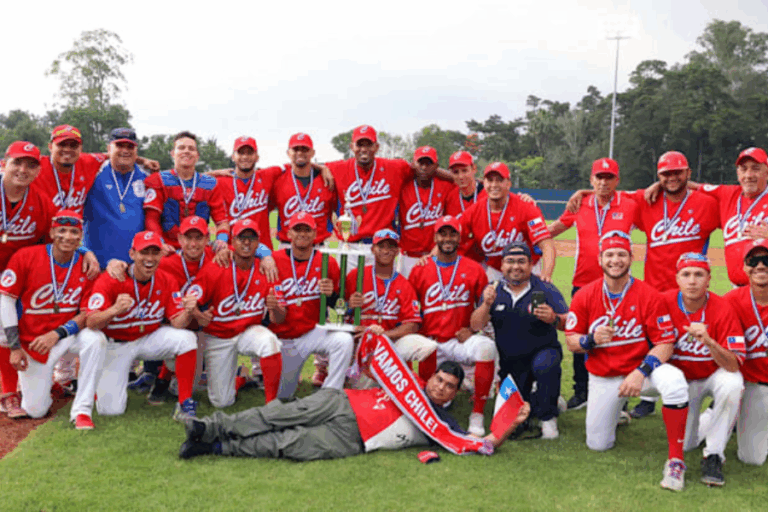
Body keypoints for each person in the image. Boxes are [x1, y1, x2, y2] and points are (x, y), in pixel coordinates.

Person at [178, 361, 530, 461]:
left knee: (285, 444)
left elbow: (481, 444)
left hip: (352, 437)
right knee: (276, 414)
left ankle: (214, 448)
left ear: (456, 392)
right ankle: (206, 428)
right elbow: (371, 359)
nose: (440, 387)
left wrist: (510, 425)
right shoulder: (404, 380)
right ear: (431, 377)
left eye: (449, 386)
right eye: (438, 379)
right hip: (342, 401)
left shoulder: (443, 424)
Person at [565, 230, 690, 491]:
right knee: (598, 445)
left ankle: (676, 460)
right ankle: (617, 413)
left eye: (621, 254)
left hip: (640, 373)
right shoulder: (585, 295)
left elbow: (666, 342)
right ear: (600, 259)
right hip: (604, 375)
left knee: (675, 381)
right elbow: (571, 341)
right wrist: (591, 340)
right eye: (609, 254)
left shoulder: (648, 294)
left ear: (631, 258)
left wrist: (642, 371)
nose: (615, 260)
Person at [79, 231, 199, 423]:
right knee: (111, 410)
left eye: (155, 252)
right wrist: (114, 310)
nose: (150, 259)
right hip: (116, 344)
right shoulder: (112, 278)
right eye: (144, 253)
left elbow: (177, 322)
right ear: (132, 254)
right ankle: (99, 385)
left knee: (187, 339)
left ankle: (185, 402)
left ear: (161, 255)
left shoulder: (166, 279)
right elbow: (91, 323)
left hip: (147, 338)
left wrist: (189, 311)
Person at [549, 158, 637, 411]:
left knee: (618, 338)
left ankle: (619, 396)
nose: (603, 182)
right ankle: (582, 391)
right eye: (599, 177)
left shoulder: (630, 205)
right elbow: (557, 227)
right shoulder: (581, 204)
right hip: (583, 282)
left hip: (617, 285)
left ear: (617, 181)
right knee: (579, 337)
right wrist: (531, 235)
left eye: (609, 177)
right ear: (591, 179)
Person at [0, 211, 100, 428]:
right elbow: (6, 301)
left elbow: (86, 314)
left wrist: (57, 334)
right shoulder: (27, 256)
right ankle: (35, 385)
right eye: (61, 230)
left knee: (96, 338)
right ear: (52, 232)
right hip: (35, 341)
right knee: (36, 411)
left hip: (64, 335)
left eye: (74, 232)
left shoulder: (86, 265)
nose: (67, 236)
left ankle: (84, 406)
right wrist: (15, 347)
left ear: (80, 236)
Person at [407, 215, 496, 436]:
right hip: (432, 342)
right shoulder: (420, 269)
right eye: (443, 233)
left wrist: (473, 330)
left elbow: (482, 315)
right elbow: (411, 311)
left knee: (487, 348)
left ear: (459, 237)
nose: (448, 238)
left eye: (452, 234)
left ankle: (477, 412)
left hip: (459, 340)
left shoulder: (474, 269)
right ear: (435, 236)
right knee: (434, 392)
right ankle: (428, 408)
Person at [179, 219, 284, 406]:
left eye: (251, 238)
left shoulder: (265, 269)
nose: (246, 243)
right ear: (232, 242)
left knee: (269, 342)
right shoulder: (216, 266)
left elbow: (280, 317)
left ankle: (272, 404)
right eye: (241, 238)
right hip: (218, 336)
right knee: (221, 402)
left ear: (258, 243)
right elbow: (191, 298)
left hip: (247, 331)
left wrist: (275, 307)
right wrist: (197, 314)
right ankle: (240, 377)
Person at [663, 253, 744, 487]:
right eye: (686, 274)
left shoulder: (723, 307)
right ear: (676, 278)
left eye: (699, 274)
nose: (692, 281)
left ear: (709, 279)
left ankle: (714, 454)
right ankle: (710, 416)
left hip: (712, 375)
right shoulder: (663, 302)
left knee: (733, 382)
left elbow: (733, 364)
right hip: (682, 381)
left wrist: (708, 341)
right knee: (687, 444)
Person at [472, 241, 568, 439]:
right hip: (512, 364)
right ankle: (547, 399)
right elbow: (475, 325)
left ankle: (548, 418)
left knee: (545, 365)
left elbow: (570, 322)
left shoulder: (544, 287)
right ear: (502, 266)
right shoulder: (493, 289)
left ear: (531, 264)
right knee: (512, 420)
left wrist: (553, 318)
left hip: (543, 351)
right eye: (510, 261)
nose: (516, 266)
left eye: (521, 261)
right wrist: (485, 305)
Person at [0, 142, 58, 418]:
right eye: (17, 163)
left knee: (9, 330)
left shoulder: (41, 200)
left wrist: (84, 252)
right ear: (4, 163)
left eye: (31, 165)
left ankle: (12, 390)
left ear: (38, 170)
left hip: (18, 276)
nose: (23, 170)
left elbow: (52, 239)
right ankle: (9, 392)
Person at [271, 212, 353, 399]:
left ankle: (330, 394)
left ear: (315, 234)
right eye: (297, 229)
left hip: (312, 332)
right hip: (284, 337)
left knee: (344, 340)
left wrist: (332, 294)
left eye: (307, 230)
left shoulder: (327, 262)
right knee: (283, 396)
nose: (302, 234)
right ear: (288, 233)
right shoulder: (274, 260)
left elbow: (341, 306)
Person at [459, 162, 554, 282]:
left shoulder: (525, 207)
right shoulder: (474, 211)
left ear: (508, 184)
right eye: (490, 180)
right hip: (496, 269)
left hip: (526, 268)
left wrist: (546, 275)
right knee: (488, 297)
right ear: (485, 183)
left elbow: (546, 244)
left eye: (499, 180)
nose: (494, 185)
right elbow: (454, 236)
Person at [143, 131, 229, 252]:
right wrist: (160, 243)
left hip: (200, 250)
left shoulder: (210, 184)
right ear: (173, 153)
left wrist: (222, 239)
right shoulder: (158, 180)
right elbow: (151, 219)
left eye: (191, 148)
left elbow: (222, 221)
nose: (186, 151)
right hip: (169, 250)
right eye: (181, 148)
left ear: (197, 155)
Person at [722, 239, 768, 466]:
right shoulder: (731, 301)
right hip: (754, 384)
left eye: (766, 260)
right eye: (754, 260)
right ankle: (721, 415)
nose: (761, 266)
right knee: (752, 459)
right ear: (745, 267)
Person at [83, 128, 150, 269]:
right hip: (98, 266)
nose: (125, 151)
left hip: (135, 268)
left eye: (130, 147)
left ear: (136, 150)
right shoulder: (93, 175)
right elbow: (75, 157)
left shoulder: (147, 180)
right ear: (109, 148)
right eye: (119, 146)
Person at [397, 146, 457, 277]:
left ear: (436, 166)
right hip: (408, 256)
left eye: (429, 163)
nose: (424, 167)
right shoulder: (403, 185)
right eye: (420, 163)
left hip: (435, 254)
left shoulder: (445, 186)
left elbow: (461, 180)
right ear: (413, 164)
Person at [271, 133, 337, 247]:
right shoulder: (278, 180)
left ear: (312, 153)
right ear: (288, 153)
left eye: (305, 149)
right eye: (296, 149)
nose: (300, 153)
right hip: (287, 246)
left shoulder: (327, 179)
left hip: (318, 247)